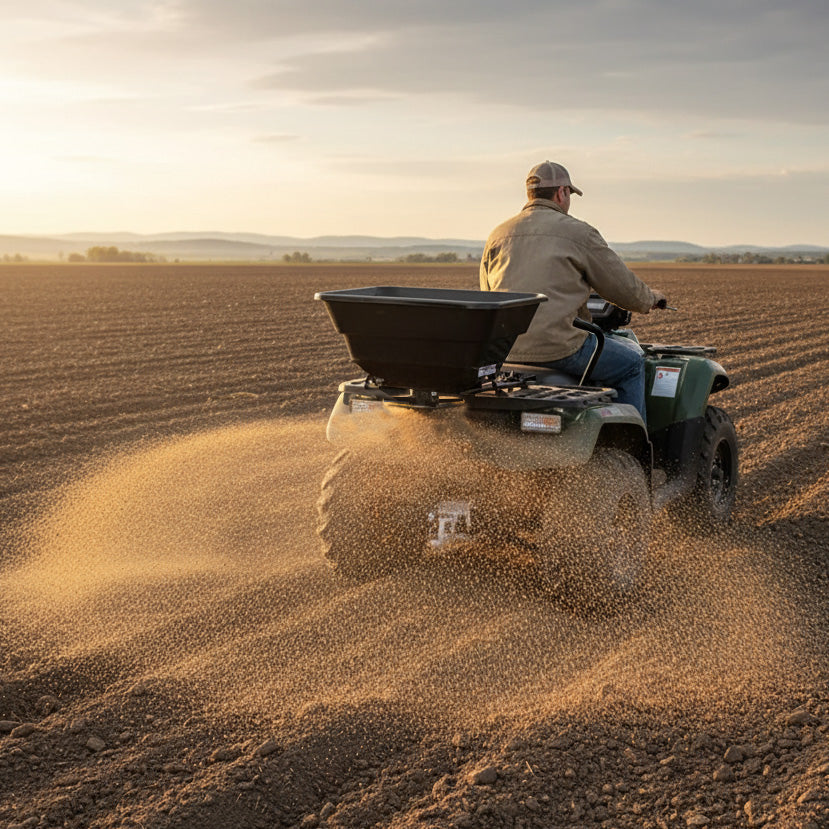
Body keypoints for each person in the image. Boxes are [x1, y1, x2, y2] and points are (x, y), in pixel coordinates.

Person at [480, 160, 666, 423]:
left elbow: (489, 294)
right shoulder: (579, 233)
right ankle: (631, 450)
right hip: (561, 349)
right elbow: (622, 288)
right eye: (569, 195)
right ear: (562, 193)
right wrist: (651, 299)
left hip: (506, 350)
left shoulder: (498, 235)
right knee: (633, 364)